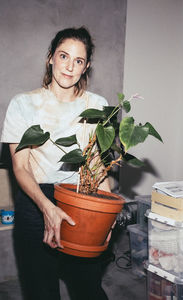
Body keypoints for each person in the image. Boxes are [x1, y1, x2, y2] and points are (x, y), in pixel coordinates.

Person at [1, 26, 111, 300]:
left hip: (80, 200)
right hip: (35, 201)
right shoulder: (23, 104)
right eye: (64, 56)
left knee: (88, 289)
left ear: (86, 67)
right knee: (41, 291)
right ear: (50, 57)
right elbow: (20, 167)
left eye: (78, 61)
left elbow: (96, 165)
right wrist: (47, 208)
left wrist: (107, 218)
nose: (70, 67)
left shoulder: (97, 105)